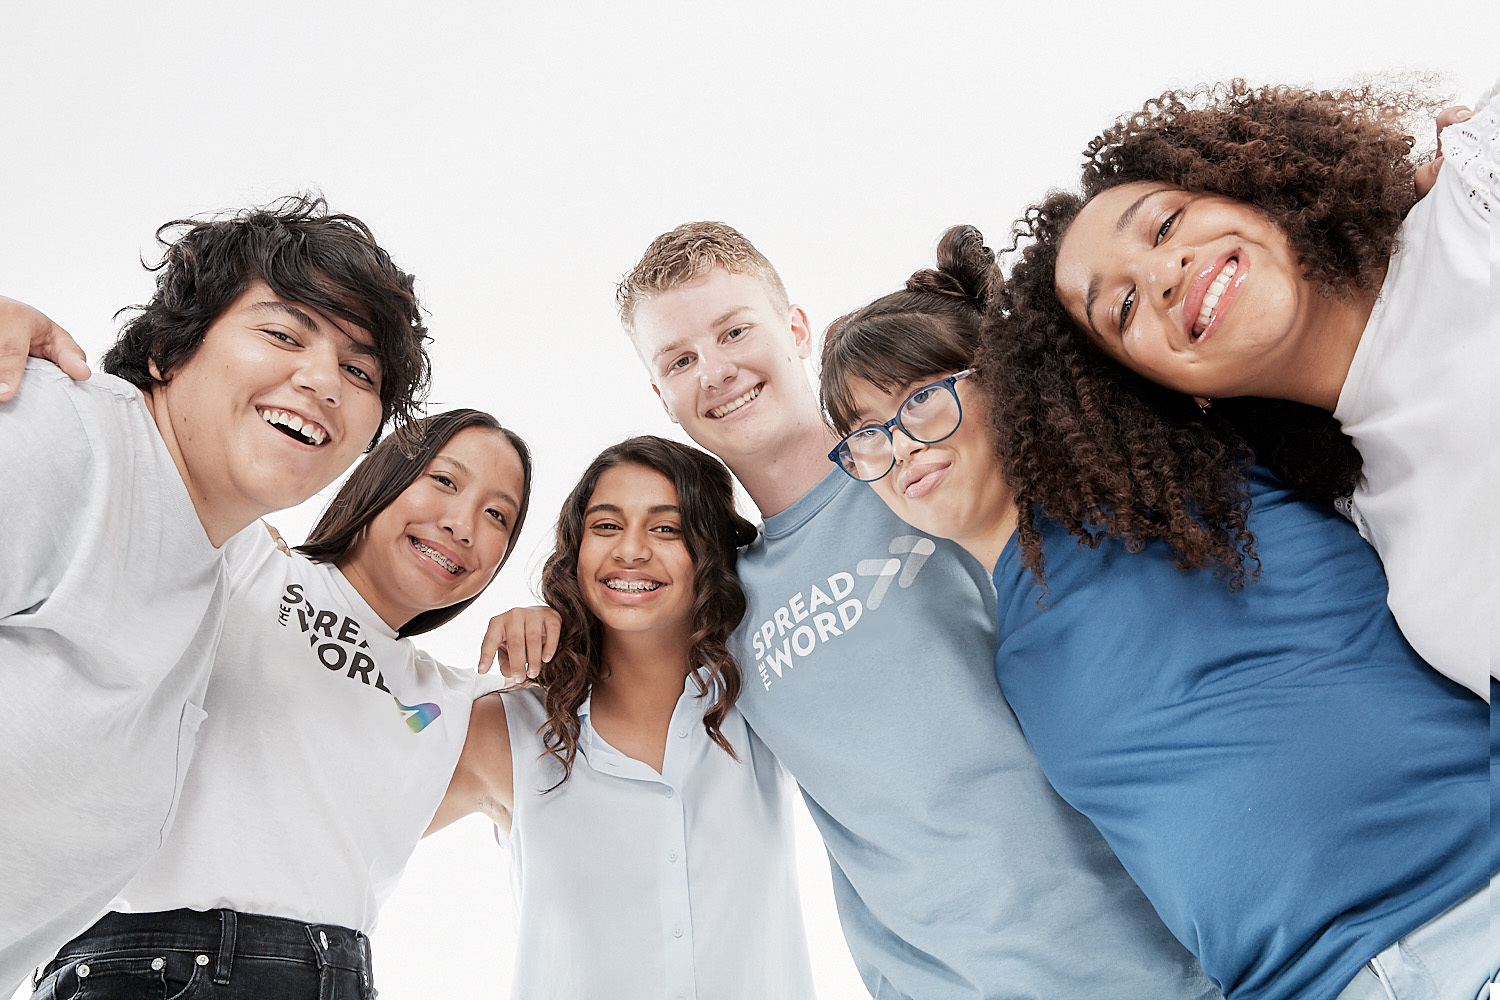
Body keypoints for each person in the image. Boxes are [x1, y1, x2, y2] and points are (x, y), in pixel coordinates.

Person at [817, 224, 1496, 1000]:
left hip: (1476, 907)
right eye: (865, 435)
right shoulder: (1015, 663)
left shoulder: (1195, 459)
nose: (899, 446)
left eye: (922, 400)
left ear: (1003, 377)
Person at [614, 222, 1220, 998]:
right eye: (680, 359)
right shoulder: (716, 605)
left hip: (1172, 968)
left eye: (734, 330)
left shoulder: (940, 466)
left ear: (795, 328)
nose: (717, 369)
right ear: (660, 394)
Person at [0, 194, 431, 991]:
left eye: (358, 370)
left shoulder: (211, 587)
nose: (320, 380)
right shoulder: (65, 439)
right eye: (282, 333)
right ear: (171, 350)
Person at [989, 78, 1496, 698]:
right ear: (1168, 392)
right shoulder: (1420, 588)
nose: (1162, 273)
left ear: (1252, 192)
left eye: (1165, 223)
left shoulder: (1478, 180)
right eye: (1123, 309)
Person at [31, 409, 530, 1000]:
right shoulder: (245, 556)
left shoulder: (453, 706)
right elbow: (108, 454)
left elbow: (623, 740)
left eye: (497, 514)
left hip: (334, 976)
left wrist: (564, 623)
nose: (463, 524)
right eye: (445, 481)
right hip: (147, 965)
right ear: (387, 473)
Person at [430, 435, 815, 999]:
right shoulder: (507, 728)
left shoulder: (761, 699)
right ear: (576, 551)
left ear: (710, 552)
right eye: (606, 526)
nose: (631, 550)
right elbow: (335, 825)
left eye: (667, 529)